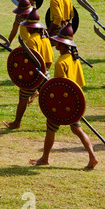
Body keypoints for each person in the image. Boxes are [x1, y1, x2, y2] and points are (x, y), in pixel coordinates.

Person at [30, 24, 98, 170]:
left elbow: (58, 88)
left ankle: (44, 158)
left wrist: (42, 93)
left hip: (62, 104)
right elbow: (79, 83)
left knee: (51, 127)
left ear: (62, 45)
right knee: (77, 129)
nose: (56, 45)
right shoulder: (75, 59)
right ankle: (92, 156)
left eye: (58, 43)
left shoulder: (61, 62)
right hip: (74, 103)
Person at [4, 9, 54, 129]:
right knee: (49, 98)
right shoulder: (45, 38)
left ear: (31, 28)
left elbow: (28, 63)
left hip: (33, 75)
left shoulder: (31, 41)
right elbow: (49, 60)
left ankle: (17, 122)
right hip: (45, 73)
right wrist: (45, 71)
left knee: (23, 98)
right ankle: (54, 121)